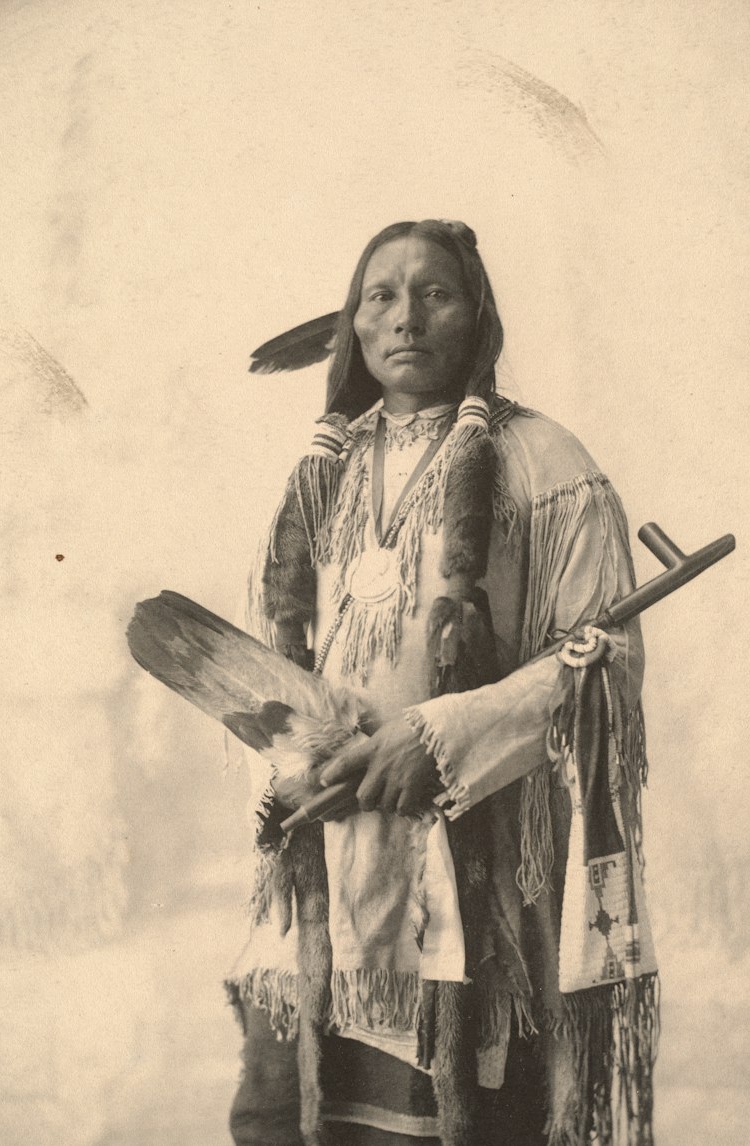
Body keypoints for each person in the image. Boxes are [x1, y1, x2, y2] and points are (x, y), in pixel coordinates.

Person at [226, 220, 658, 1146]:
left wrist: (441, 741)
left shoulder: (545, 464)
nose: (406, 317)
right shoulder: (317, 478)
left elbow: (603, 663)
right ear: (351, 325)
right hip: (326, 880)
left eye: (435, 293)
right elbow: (266, 661)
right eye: (380, 295)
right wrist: (299, 766)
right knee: (290, 1118)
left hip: (475, 873)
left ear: (477, 315)